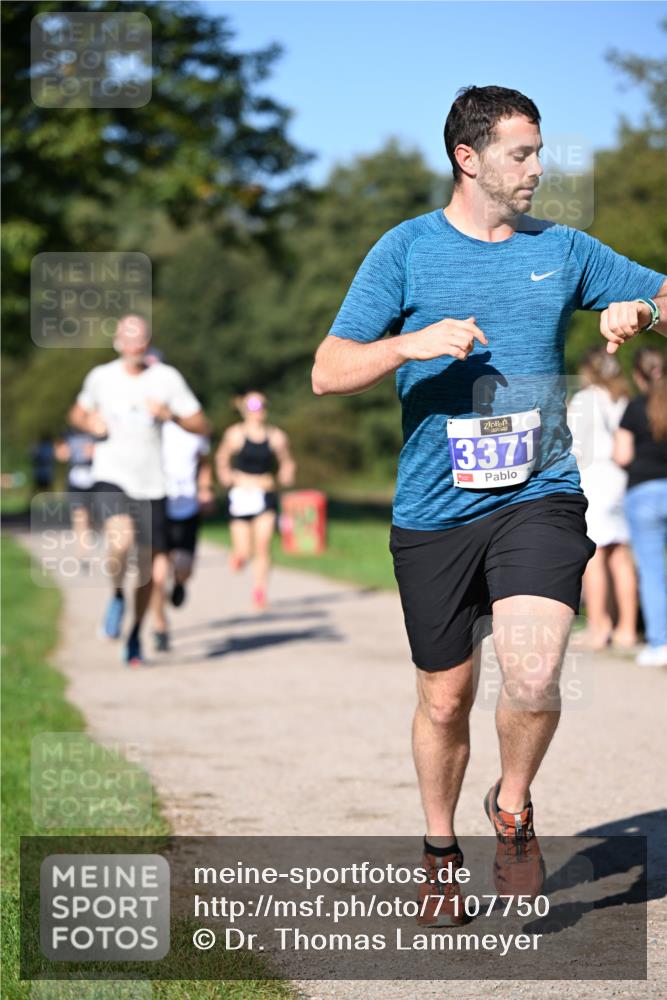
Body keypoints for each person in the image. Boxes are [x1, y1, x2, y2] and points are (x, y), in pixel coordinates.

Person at [312, 85, 667, 924]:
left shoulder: (566, 249)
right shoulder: (404, 251)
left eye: (538, 151)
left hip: (538, 494)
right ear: (467, 159)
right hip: (434, 508)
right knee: (444, 696)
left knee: (536, 671)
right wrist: (409, 342)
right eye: (521, 154)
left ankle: (511, 807)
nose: (538, 169)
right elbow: (326, 371)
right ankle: (439, 849)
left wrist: (644, 310)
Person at [69, 315, 209, 666]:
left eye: (141, 339)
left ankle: (134, 636)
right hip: (111, 475)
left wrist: (169, 415)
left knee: (148, 571)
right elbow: (77, 413)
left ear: (147, 343)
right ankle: (117, 594)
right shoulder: (101, 377)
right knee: (120, 540)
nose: (134, 345)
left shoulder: (167, 379)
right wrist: (89, 422)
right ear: (117, 342)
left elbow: (201, 423)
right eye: (128, 339)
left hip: (152, 484)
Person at [567, 348, 637, 650]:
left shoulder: (585, 399)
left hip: (594, 481)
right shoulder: (623, 400)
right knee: (621, 556)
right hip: (621, 482)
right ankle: (627, 628)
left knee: (594, 557)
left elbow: (573, 446)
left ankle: (598, 626)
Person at [215, 391, 295, 610]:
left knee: (263, 545)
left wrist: (286, 474)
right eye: (253, 406)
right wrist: (226, 475)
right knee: (244, 550)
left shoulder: (276, 436)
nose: (258, 411)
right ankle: (238, 555)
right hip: (241, 495)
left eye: (261, 406)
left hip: (264, 494)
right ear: (244, 410)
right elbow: (222, 458)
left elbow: (286, 461)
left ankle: (260, 591)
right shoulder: (235, 434)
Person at [614, 347, 667, 668]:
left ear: (638, 375)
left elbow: (621, 456)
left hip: (643, 493)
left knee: (651, 571)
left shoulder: (634, 408)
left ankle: (660, 643)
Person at [54, 428, 98, 564]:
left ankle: (91, 542)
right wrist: (64, 451)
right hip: (76, 480)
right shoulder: (67, 433)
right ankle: (82, 553)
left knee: (93, 517)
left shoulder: (98, 430)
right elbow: (60, 455)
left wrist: (96, 452)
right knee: (80, 516)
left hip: (97, 478)